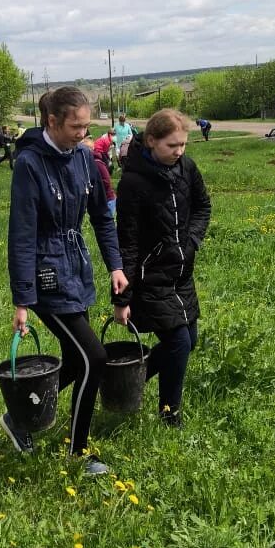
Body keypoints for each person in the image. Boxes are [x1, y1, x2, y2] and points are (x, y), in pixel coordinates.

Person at [5, 87, 128, 476]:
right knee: (95, 357)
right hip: (44, 278)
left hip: (76, 269)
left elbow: (101, 218)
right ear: (52, 121)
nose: (82, 133)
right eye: (75, 126)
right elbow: (21, 234)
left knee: (77, 360)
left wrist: (115, 265)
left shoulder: (84, 160)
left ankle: (21, 416)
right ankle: (77, 451)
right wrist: (22, 299)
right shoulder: (29, 164)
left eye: (87, 125)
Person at [112, 110, 211, 428]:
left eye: (183, 144)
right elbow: (126, 239)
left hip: (181, 272)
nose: (179, 151)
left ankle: (129, 379)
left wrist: (192, 240)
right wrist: (122, 297)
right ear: (151, 141)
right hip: (149, 275)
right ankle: (170, 414)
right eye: (172, 145)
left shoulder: (187, 167)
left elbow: (202, 206)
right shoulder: (133, 181)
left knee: (189, 340)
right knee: (178, 342)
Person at [86, 135, 117, 217]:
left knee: (108, 218)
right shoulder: (88, 163)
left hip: (108, 198)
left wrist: (99, 190)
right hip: (101, 199)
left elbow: (107, 181)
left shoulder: (97, 163)